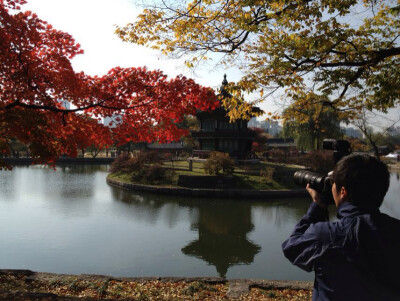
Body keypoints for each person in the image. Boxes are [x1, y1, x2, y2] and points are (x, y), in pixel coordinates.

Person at [282, 155, 400, 300]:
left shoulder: (326, 235)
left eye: (333, 184)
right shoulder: (395, 230)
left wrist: (316, 208)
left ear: (343, 192)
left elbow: (292, 248)